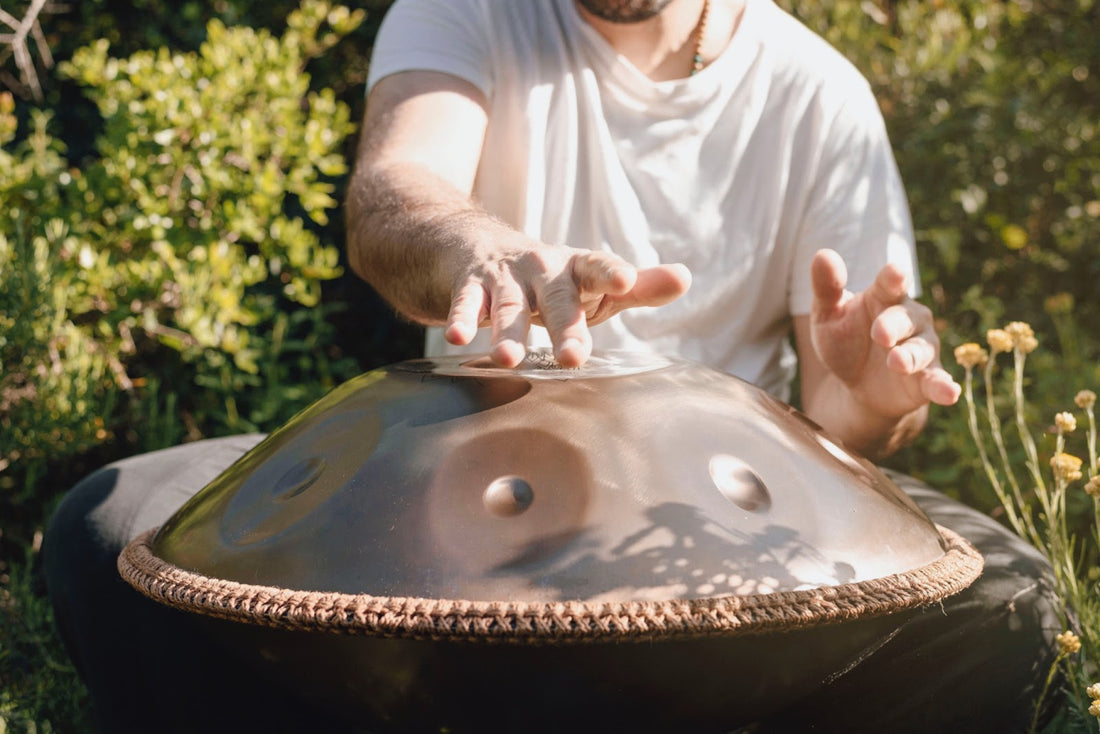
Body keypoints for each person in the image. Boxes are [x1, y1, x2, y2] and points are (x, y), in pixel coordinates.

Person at [43, 0, 1060, 732]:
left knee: (1007, 606)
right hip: (445, 513)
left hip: (709, 559)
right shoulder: (465, 13)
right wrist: (476, 251)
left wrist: (861, 403)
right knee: (115, 523)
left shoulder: (817, 93)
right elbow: (395, 193)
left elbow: (845, 430)